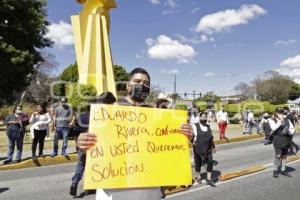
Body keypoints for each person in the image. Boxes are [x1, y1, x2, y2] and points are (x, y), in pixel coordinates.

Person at [77, 68, 192, 200]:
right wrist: (82, 142)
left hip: (149, 188)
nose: (142, 85)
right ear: (127, 85)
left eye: (146, 83)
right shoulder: (110, 110)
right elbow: (92, 145)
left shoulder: (156, 114)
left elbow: (167, 147)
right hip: (115, 188)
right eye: (137, 81)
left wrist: (184, 137)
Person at [70, 92, 117, 197]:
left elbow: (74, 130)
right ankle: (91, 186)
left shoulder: (83, 116)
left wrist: (77, 143)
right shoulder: (110, 116)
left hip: (83, 145)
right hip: (99, 147)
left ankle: (75, 182)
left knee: (81, 164)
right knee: (95, 166)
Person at [191, 112, 216, 187]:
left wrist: (213, 146)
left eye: (205, 117)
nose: (204, 119)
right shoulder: (194, 126)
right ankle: (198, 176)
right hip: (198, 147)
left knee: (210, 161)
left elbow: (211, 138)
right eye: (203, 117)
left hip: (208, 147)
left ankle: (209, 178)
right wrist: (193, 141)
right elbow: (190, 137)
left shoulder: (208, 126)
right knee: (198, 162)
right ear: (199, 118)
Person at [270, 108, 295, 178]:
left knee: (284, 156)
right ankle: (275, 170)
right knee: (278, 156)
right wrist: (280, 121)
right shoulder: (272, 120)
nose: (281, 114)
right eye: (279, 113)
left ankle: (283, 170)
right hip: (277, 140)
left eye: (282, 113)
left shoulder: (287, 119)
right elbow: (273, 128)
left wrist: (289, 132)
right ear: (276, 113)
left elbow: (292, 128)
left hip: (286, 140)